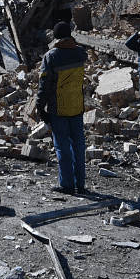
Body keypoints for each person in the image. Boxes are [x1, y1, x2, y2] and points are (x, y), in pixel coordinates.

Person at [37, 21, 89, 194]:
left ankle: (67, 184)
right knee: (78, 146)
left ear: (56, 37)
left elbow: (45, 86)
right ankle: (80, 184)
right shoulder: (81, 53)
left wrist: (39, 107)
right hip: (77, 106)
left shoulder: (51, 56)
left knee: (62, 146)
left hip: (58, 108)